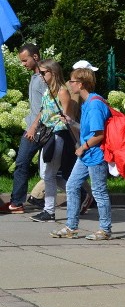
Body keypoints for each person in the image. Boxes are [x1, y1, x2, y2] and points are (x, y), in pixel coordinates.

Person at [49, 67, 113, 240]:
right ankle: (71, 227)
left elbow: (99, 135)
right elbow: (87, 130)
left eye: (72, 81)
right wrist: (71, 122)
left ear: (81, 84)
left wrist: (82, 147)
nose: (70, 84)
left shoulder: (93, 105)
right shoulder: (87, 103)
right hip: (86, 155)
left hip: (95, 154)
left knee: (99, 191)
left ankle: (105, 230)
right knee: (71, 186)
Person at [1, 44, 47, 214]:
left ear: (35, 57)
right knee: (24, 164)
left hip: (39, 129)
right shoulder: (35, 76)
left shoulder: (44, 77)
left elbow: (48, 105)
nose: (23, 64)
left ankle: (17, 202)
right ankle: (16, 202)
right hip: (33, 127)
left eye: (25, 60)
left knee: (24, 163)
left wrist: (34, 126)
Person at [30, 60, 78, 223]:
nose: (41, 76)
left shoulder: (62, 91)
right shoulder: (47, 91)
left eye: (44, 73)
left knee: (49, 174)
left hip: (58, 135)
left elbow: (67, 116)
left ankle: (49, 211)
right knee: (47, 174)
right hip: (48, 135)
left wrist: (61, 121)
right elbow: (44, 112)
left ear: (54, 73)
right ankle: (79, 195)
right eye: (40, 73)